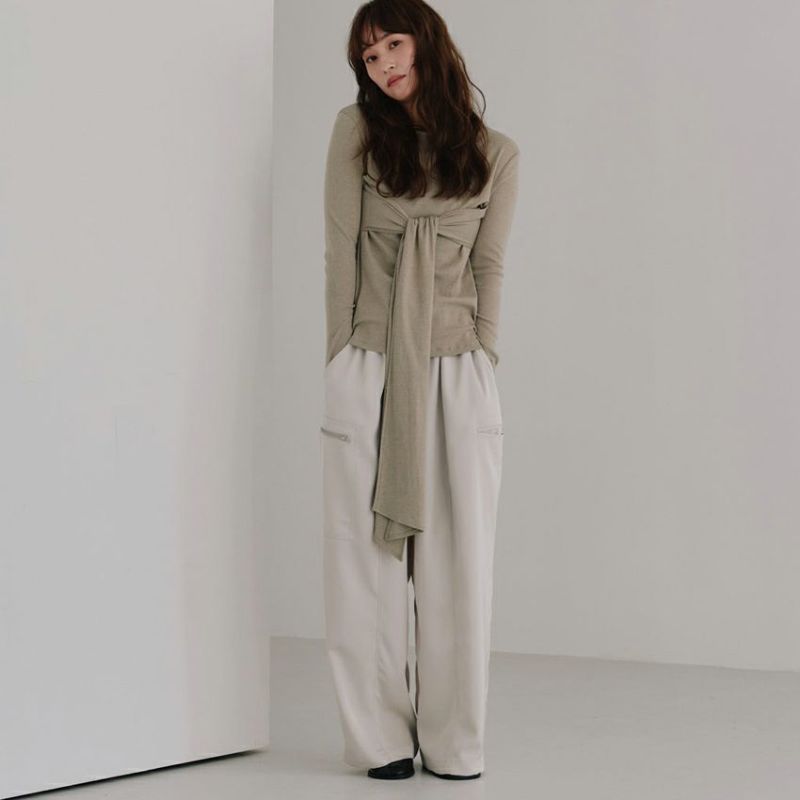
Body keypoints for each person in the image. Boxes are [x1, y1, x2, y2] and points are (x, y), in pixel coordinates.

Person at [320, 0, 519, 782]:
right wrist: (341, 358)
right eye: (368, 57)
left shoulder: (495, 153)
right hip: (371, 363)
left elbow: (490, 265)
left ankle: (455, 743)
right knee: (363, 563)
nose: (383, 66)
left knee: (459, 566)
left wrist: (482, 353)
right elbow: (340, 250)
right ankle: (380, 741)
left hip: (456, 369)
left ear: (427, 42)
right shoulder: (356, 134)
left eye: (393, 45)